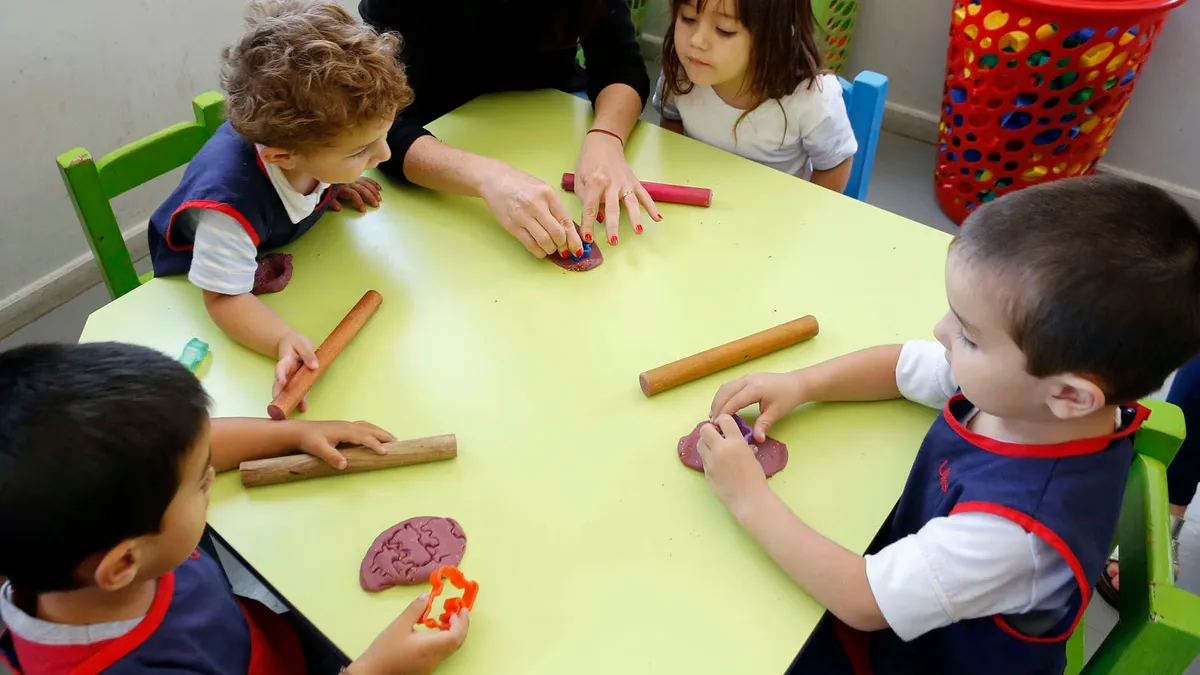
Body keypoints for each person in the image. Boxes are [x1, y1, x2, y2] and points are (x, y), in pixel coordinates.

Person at [694, 176, 1200, 673]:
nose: (941, 332)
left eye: (970, 335)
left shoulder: (1013, 537)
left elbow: (861, 599)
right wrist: (803, 384)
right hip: (909, 595)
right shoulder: (1031, 396)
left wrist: (747, 497)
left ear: (1070, 393)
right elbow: (899, 367)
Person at [0, 342, 469, 674]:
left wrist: (297, 434)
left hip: (269, 645)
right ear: (124, 562)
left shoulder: (83, 549)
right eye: (201, 481)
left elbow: (200, 443)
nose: (212, 473)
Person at [147, 1, 411, 407]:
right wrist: (282, 339)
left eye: (384, 136)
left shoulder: (313, 147)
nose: (384, 156)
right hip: (210, 280)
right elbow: (222, 298)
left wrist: (337, 181)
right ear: (284, 158)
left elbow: (326, 162)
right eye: (360, 151)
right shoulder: (226, 210)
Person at [359, 0, 661, 258]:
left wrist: (606, 138)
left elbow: (621, 65)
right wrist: (487, 178)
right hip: (433, 136)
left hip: (555, 108)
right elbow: (377, 122)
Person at [652, 0, 858, 193]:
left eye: (724, 30)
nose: (696, 41)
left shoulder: (810, 97)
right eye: (688, 18)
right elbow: (671, 119)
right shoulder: (681, 73)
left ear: (774, 37)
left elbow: (834, 164)